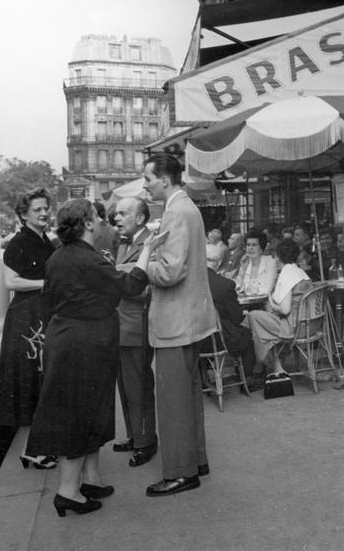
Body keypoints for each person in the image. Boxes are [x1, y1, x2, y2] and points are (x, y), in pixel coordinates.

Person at [25, 198, 164, 516]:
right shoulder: (87, 260)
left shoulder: (63, 255)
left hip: (70, 341)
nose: (103, 220)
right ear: (87, 224)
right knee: (79, 414)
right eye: (97, 217)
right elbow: (130, 285)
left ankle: (90, 480)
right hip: (84, 345)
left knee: (88, 410)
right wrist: (148, 248)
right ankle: (68, 492)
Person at [142, 153, 216, 498]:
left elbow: (170, 272)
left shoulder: (174, 211)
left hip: (174, 321)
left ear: (165, 180)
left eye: (148, 179)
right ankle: (195, 461)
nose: (145, 185)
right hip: (192, 318)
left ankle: (180, 472)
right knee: (188, 397)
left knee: (172, 402)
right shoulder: (190, 208)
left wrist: (145, 266)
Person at [0, 188, 58, 470]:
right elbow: (10, 281)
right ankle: (31, 450)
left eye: (46, 208)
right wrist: (44, 284)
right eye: (37, 210)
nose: (44, 213)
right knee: (32, 381)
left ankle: (36, 447)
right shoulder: (18, 243)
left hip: (43, 314)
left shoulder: (47, 241)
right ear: (23, 214)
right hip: (27, 318)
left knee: (42, 381)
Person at [111, 197, 158, 468]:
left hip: (137, 325)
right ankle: (134, 436)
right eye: (116, 213)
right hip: (122, 325)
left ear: (140, 219)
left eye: (123, 213)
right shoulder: (124, 242)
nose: (117, 218)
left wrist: (118, 276)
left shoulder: (150, 243)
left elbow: (150, 285)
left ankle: (145, 441)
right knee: (126, 386)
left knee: (138, 387)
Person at [244, 239, 311, 377]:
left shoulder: (287, 274)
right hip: (308, 324)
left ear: (278, 257)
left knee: (253, 317)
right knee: (261, 320)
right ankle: (274, 365)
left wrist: (273, 305)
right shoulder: (300, 272)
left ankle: (263, 363)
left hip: (292, 327)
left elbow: (285, 309)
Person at [205, 245, 260, 389]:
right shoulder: (225, 285)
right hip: (219, 339)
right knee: (247, 335)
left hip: (196, 338)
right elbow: (236, 317)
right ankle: (247, 379)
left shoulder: (191, 283)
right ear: (218, 263)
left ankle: (204, 379)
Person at [235, 229, 278, 296]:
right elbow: (238, 289)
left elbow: (267, 290)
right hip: (246, 304)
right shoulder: (246, 263)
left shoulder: (270, 262)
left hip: (264, 304)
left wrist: (247, 292)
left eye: (254, 245)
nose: (250, 248)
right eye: (248, 245)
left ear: (261, 248)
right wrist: (243, 270)